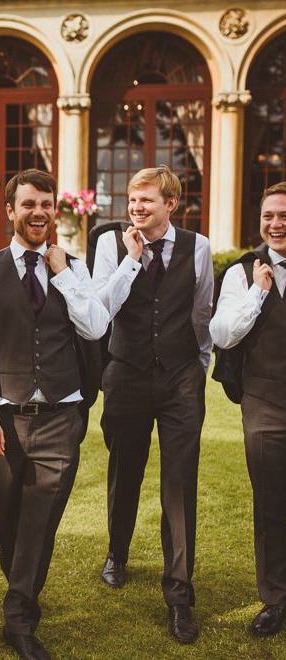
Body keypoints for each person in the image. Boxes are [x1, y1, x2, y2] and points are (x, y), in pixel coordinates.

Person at [0, 169, 108, 659]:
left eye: (46, 204)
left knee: (41, 520)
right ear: (10, 210)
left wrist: (63, 273)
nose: (39, 212)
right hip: (6, 415)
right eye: (28, 204)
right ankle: (22, 593)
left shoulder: (75, 268)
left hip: (62, 415)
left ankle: (19, 617)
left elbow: (94, 328)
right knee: (5, 514)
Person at [92, 166, 213, 643]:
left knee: (180, 481)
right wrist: (130, 261)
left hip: (181, 376)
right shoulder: (109, 244)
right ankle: (117, 552)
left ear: (171, 204)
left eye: (147, 201)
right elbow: (101, 309)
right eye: (132, 200)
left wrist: (197, 364)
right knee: (126, 467)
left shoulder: (197, 247)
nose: (137, 209)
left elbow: (201, 310)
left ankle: (179, 593)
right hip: (126, 372)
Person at [210, 182, 286, 637]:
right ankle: (275, 598)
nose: (276, 224)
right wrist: (258, 293)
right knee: (272, 500)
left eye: (284, 215)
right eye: (269, 216)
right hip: (265, 402)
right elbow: (221, 334)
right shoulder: (242, 272)